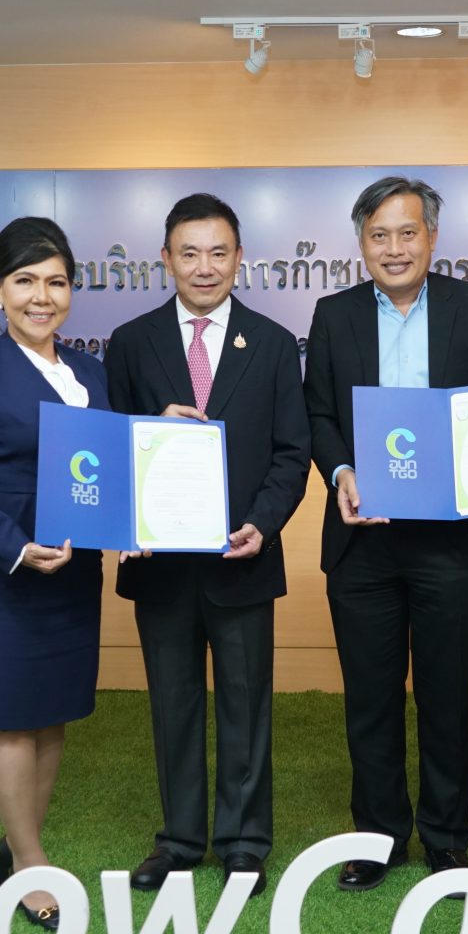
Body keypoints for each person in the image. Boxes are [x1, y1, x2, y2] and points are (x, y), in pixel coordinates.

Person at [303, 175, 468, 890]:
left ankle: (447, 838)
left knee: (448, 697)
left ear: (432, 237)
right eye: (379, 235)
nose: (394, 248)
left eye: (407, 232)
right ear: (361, 243)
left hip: (450, 539)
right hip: (364, 539)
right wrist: (340, 471)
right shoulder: (333, 314)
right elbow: (318, 412)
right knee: (371, 698)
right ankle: (377, 837)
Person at [104, 193, 310, 898]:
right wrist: (148, 430)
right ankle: (180, 840)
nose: (204, 266)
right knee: (174, 703)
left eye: (218, 252)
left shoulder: (274, 343)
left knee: (246, 705)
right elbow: (111, 445)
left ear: (239, 258)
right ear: (166, 259)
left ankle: (245, 843)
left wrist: (264, 523)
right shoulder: (131, 342)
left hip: (241, 557)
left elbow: (292, 452)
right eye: (189, 252)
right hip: (160, 566)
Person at [0, 216, 109, 933]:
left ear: (72, 290)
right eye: (26, 281)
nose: (42, 297)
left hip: (72, 575)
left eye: (56, 282)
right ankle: (32, 865)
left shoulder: (91, 372)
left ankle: (18, 840)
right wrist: (16, 545)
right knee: (9, 717)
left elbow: (108, 463)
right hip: (3, 574)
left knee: (51, 712)